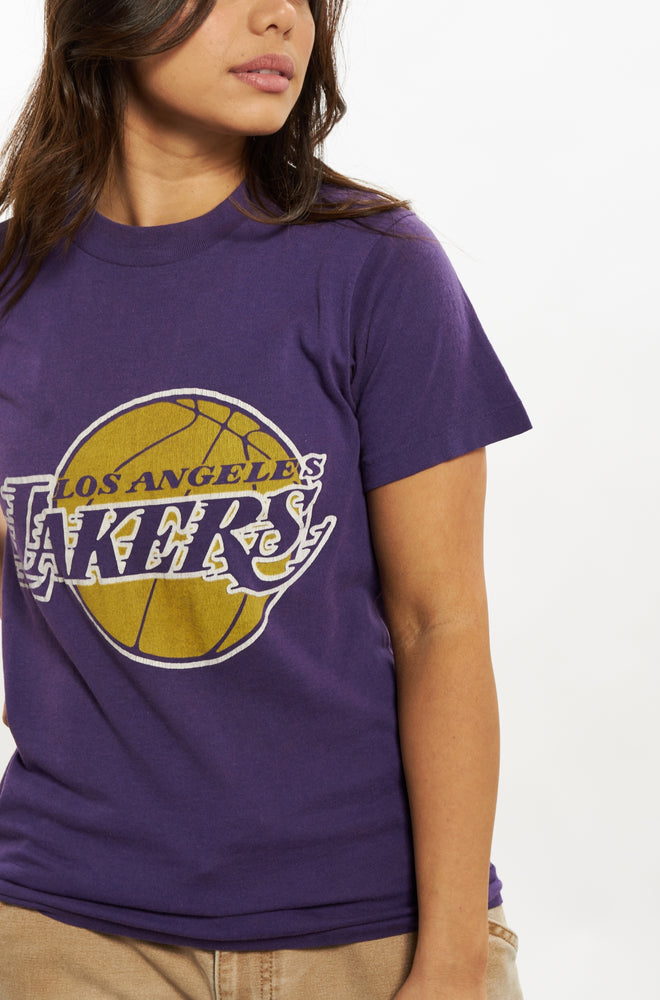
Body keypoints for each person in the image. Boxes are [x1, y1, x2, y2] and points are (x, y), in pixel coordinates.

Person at [0, 1, 531, 997]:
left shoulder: (376, 264)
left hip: (375, 925)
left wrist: (454, 954)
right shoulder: (13, 292)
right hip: (68, 929)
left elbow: (441, 622)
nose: (281, 17)